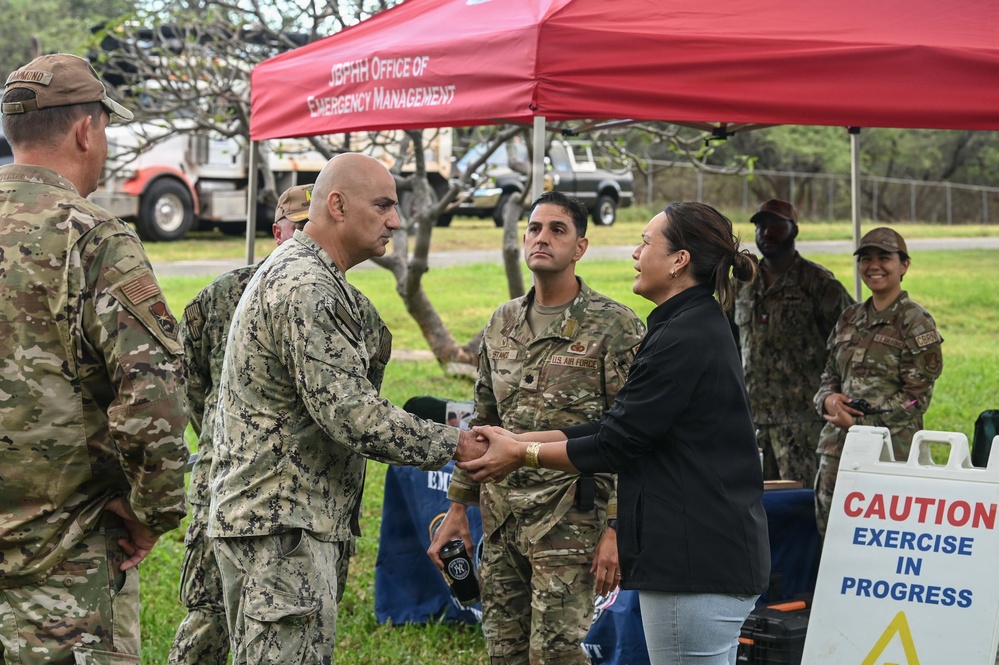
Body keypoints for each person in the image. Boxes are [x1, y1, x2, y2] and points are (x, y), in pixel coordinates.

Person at [460, 202, 771, 665]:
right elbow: (619, 426)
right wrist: (529, 441)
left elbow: (617, 443)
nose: (635, 253)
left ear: (678, 260)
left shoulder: (684, 335)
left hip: (695, 563)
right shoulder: (686, 325)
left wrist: (523, 453)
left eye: (646, 242)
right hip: (700, 558)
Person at [207, 152, 487, 664]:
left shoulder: (302, 272)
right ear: (336, 204)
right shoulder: (308, 286)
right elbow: (352, 415)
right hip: (282, 531)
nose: (396, 221)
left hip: (274, 523)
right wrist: (457, 444)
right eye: (382, 205)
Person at [0, 53, 189, 664]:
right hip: (63, 567)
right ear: (86, 131)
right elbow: (153, 394)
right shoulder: (94, 238)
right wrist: (150, 512)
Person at [428, 191, 646, 664]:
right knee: (503, 652)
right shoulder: (502, 322)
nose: (541, 238)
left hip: (572, 520)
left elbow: (632, 436)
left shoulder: (616, 326)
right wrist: (458, 507)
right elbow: (481, 420)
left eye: (557, 230)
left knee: (557, 655)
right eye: (534, 228)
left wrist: (616, 529)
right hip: (504, 518)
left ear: (580, 247)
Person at [170, 184, 362, 664]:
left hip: (297, 500)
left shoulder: (346, 305)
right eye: (296, 228)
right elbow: (187, 384)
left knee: (286, 627)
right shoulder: (220, 298)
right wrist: (221, 438)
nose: (305, 237)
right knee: (208, 618)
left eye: (310, 225)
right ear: (278, 231)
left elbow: (355, 405)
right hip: (224, 482)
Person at [813, 227, 942, 536]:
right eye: (866, 258)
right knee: (831, 536)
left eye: (884, 258)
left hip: (891, 454)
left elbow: (916, 398)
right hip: (838, 450)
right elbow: (829, 373)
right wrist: (828, 399)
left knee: (881, 539)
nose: (874, 266)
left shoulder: (915, 322)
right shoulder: (849, 317)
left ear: (904, 265)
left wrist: (860, 426)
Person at [731, 198, 854, 482]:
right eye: (760, 227)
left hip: (803, 423)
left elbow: (848, 343)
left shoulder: (819, 283)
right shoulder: (742, 283)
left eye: (776, 226)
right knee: (758, 510)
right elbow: (729, 342)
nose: (766, 233)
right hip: (753, 422)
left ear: (794, 231)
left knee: (802, 505)